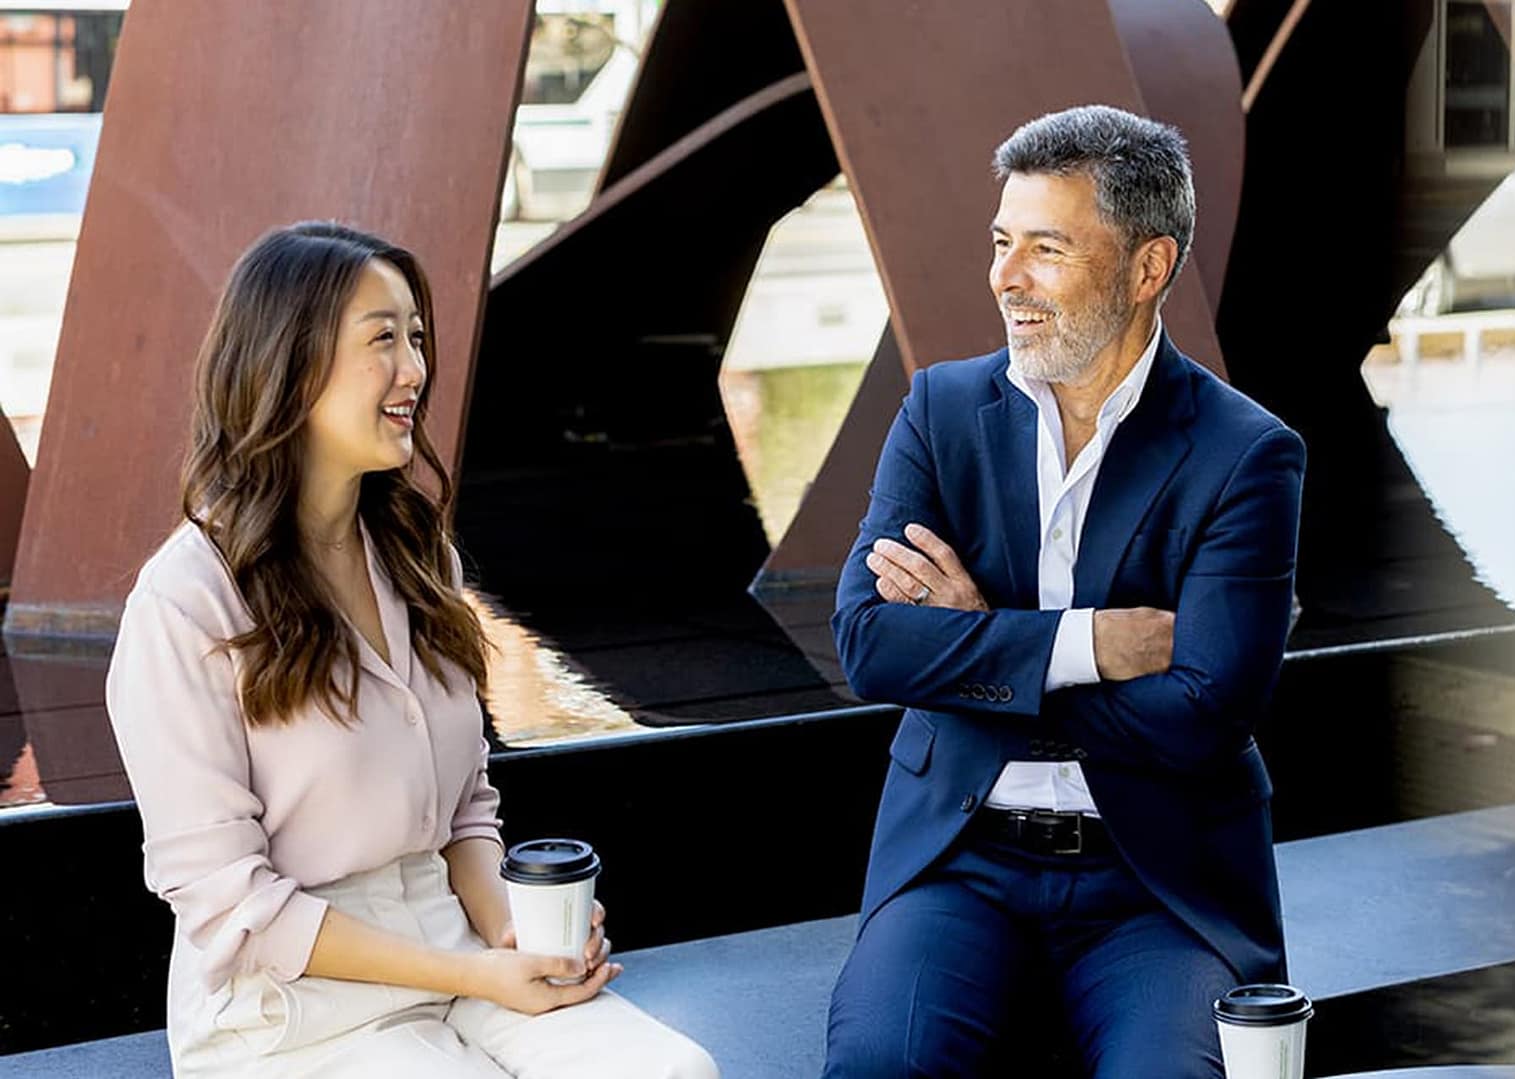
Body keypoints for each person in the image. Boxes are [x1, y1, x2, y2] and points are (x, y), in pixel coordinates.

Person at [105, 222, 719, 1079]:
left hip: (452, 942)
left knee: (674, 1072)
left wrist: (515, 930)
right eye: (383, 339)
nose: (415, 370)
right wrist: (473, 968)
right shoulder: (183, 603)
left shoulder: (417, 554)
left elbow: (466, 800)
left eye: (418, 337)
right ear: (292, 362)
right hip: (289, 1008)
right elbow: (230, 902)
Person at [821, 106, 1306, 1078]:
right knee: (880, 1064)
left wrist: (978, 640)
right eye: (1003, 242)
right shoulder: (942, 410)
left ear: (1147, 268)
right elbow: (869, 641)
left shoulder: (1246, 453)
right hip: (958, 864)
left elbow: (1205, 715)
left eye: (1047, 247)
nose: (1007, 276)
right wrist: (1086, 644)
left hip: (1159, 888)